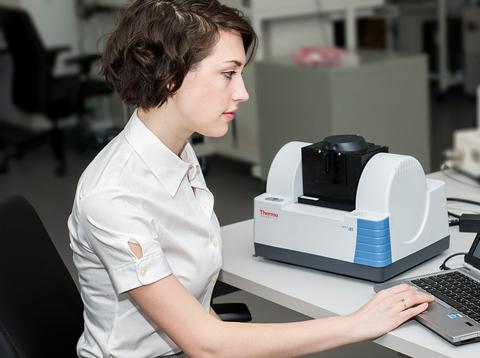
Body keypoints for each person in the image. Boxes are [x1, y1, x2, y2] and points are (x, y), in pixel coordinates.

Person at [68, 1, 435, 357]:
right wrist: (357, 324)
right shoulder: (114, 195)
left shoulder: (175, 148)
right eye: (228, 73)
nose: (242, 93)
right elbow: (208, 346)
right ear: (168, 77)